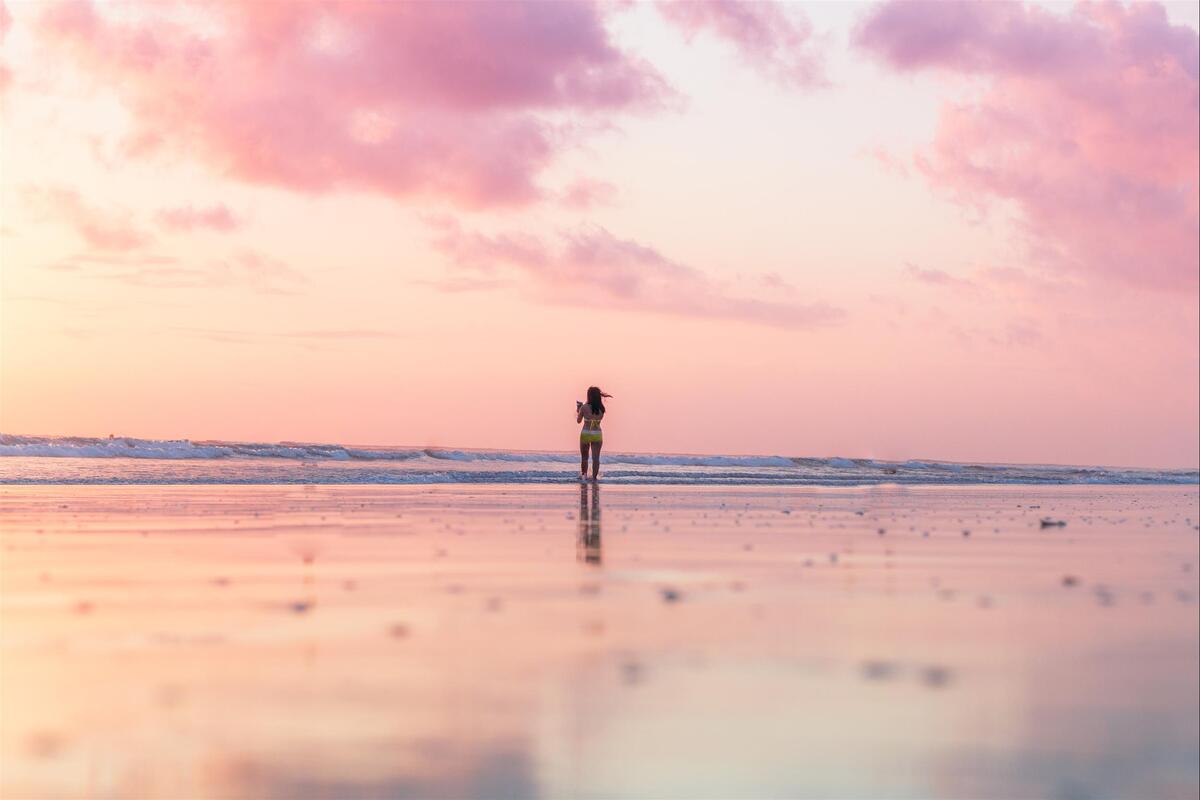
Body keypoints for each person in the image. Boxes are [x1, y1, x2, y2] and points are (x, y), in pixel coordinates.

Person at [576, 386, 610, 481]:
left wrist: (578, 409)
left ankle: (584, 477)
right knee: (596, 458)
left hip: (586, 433)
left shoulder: (584, 407)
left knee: (584, 457)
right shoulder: (601, 409)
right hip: (597, 434)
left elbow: (579, 421)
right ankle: (594, 478)